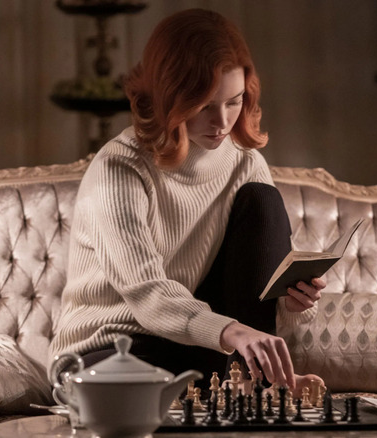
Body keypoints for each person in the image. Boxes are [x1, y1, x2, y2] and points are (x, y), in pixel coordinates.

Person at [51, 8, 325, 392]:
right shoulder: (120, 167)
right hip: (110, 349)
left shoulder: (245, 164)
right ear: (170, 96)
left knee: (261, 200)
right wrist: (232, 332)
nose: (223, 122)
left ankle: (254, 382)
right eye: (204, 106)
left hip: (198, 346)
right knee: (142, 391)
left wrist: (293, 302)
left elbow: (256, 294)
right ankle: (237, 392)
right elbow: (148, 295)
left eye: (234, 101)